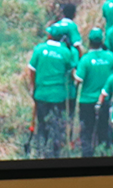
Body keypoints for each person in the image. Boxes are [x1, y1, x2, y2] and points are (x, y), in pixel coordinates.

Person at [27, 23, 78, 157]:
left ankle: (40, 151)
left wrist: (33, 87)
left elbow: (32, 70)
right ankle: (56, 153)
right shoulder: (66, 52)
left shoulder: (39, 49)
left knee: (42, 123)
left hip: (41, 94)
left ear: (50, 35)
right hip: (59, 96)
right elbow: (70, 72)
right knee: (57, 124)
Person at [75, 28, 113, 157]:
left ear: (89, 42)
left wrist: (73, 73)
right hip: (104, 100)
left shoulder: (86, 59)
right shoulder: (110, 57)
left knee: (87, 130)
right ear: (102, 41)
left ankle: (88, 156)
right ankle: (105, 153)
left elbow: (78, 80)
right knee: (103, 128)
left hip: (87, 101)